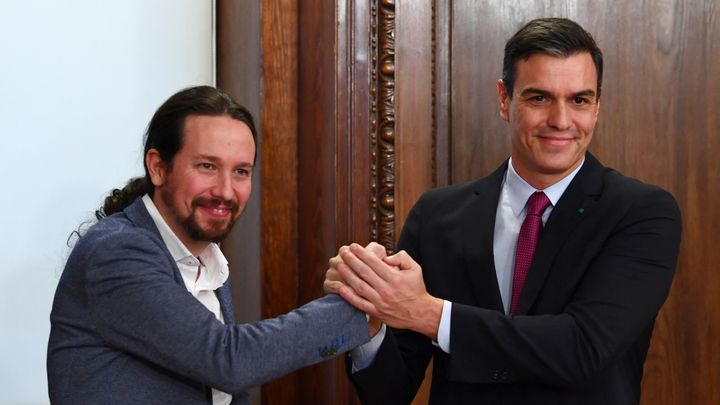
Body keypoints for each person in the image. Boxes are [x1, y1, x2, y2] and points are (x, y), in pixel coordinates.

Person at [325, 18, 682, 404]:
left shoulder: (643, 213)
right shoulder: (437, 215)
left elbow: (583, 347)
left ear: (596, 107)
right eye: (539, 98)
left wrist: (428, 314)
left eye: (579, 100)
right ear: (504, 100)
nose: (561, 121)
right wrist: (372, 317)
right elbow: (389, 392)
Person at [47, 86, 370, 405]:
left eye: (241, 171)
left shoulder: (206, 259)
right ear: (158, 167)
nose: (226, 191)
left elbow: (223, 392)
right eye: (207, 166)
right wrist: (362, 304)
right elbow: (228, 361)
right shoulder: (117, 252)